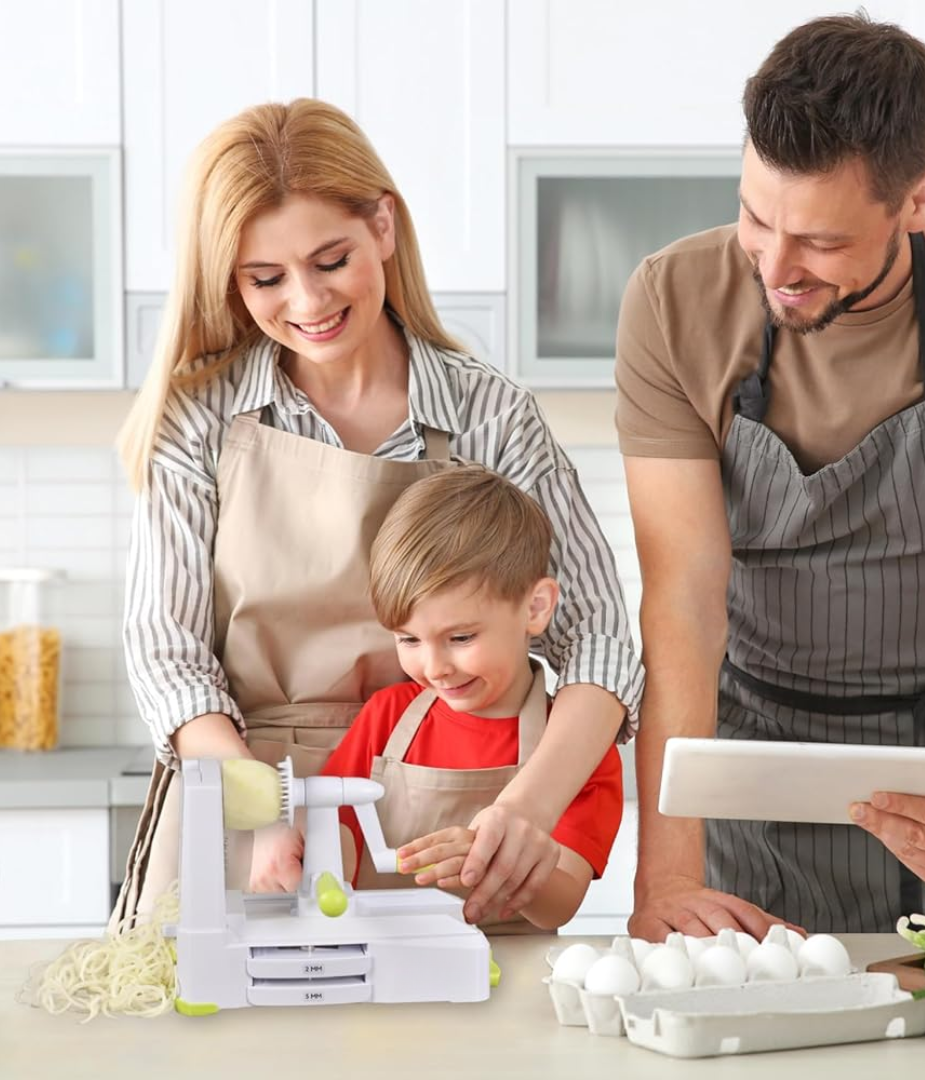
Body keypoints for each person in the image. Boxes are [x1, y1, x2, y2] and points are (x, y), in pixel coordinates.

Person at [113, 98, 642, 929]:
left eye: (331, 260)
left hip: (436, 797)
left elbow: (600, 643)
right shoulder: (199, 418)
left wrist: (526, 809)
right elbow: (167, 656)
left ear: (384, 228)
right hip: (244, 797)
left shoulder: (488, 415)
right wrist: (264, 811)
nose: (307, 300)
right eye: (265, 279)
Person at [616, 14, 925, 938]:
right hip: (747, 766)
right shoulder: (673, 303)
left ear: (920, 199)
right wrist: (663, 877)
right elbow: (682, 605)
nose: (775, 266)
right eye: (755, 216)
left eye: (820, 242)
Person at [263, 465, 623, 931]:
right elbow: (340, 837)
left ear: (535, 608)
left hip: (508, 975)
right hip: (384, 965)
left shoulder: (577, 749)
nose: (434, 668)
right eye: (409, 640)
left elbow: (562, 904)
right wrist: (305, 858)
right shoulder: (388, 718)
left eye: (460, 637)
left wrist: (500, 864)